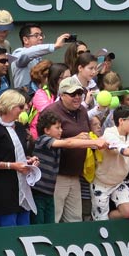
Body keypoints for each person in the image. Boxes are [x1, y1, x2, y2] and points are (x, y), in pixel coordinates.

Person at [32, 110, 108, 224]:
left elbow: (65, 140)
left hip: (49, 194)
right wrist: (94, 143)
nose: (61, 130)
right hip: (38, 193)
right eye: (57, 128)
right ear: (46, 130)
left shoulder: (55, 141)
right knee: (39, 226)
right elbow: (68, 144)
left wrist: (77, 137)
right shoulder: (42, 140)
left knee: (50, 225)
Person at [0, 89, 38, 226]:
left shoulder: (19, 127)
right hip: (4, 188)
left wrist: (30, 160)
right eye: (20, 106)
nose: (23, 109)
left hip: (22, 184)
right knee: (9, 227)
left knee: (25, 226)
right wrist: (12, 165)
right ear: (10, 107)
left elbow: (20, 153)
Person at [43, 77, 91, 223]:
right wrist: (74, 139)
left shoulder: (82, 110)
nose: (77, 97)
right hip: (57, 176)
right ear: (62, 95)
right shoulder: (51, 112)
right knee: (55, 218)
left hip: (75, 174)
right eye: (72, 94)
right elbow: (43, 142)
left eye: (79, 93)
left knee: (75, 219)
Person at [11, 23, 70, 90]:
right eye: (36, 35)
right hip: (24, 98)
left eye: (41, 35)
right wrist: (55, 46)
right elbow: (28, 53)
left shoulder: (38, 57)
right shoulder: (18, 53)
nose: (41, 38)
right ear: (25, 40)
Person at [29, 62, 70, 139]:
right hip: (42, 136)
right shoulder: (40, 94)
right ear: (56, 78)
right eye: (66, 78)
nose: (69, 81)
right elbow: (50, 114)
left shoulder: (70, 92)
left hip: (61, 131)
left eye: (70, 77)